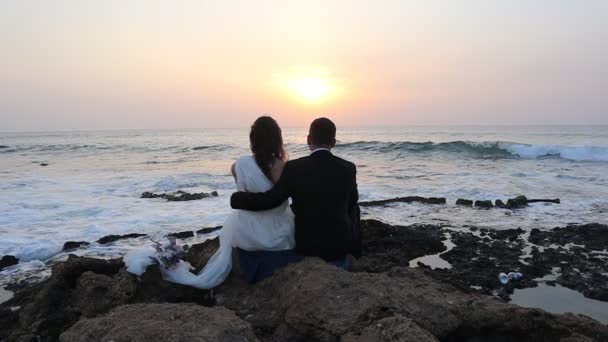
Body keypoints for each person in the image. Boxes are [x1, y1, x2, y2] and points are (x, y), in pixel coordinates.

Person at [125, 116, 297, 288]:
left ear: (253, 139)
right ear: (277, 139)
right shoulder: (282, 166)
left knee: (234, 221)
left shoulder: (238, 165)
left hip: (247, 234)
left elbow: (246, 197)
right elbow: (278, 200)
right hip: (279, 235)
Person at [231, 117, 361, 268]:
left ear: (308, 140)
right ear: (333, 142)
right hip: (340, 247)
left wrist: (237, 199)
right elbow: (352, 202)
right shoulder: (349, 168)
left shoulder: (294, 168)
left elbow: (272, 199)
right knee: (353, 209)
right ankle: (355, 252)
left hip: (308, 246)